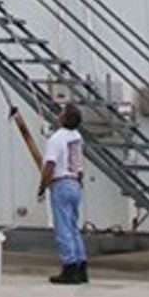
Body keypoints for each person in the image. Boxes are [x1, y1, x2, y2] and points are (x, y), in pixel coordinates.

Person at [39, 99, 88, 283]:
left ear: (63, 118)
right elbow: (79, 162)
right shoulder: (76, 137)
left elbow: (50, 164)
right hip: (75, 181)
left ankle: (69, 268)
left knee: (63, 228)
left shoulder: (56, 138)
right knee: (74, 226)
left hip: (61, 183)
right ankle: (82, 266)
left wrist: (43, 185)